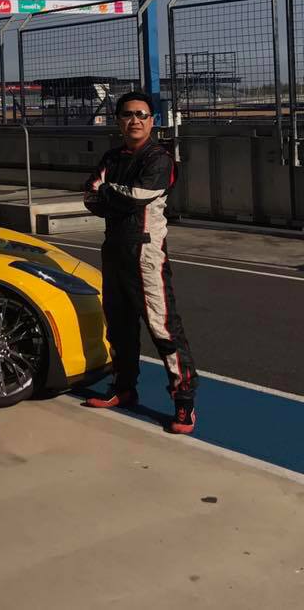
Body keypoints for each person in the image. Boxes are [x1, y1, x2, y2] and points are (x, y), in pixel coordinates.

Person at [83, 91, 198, 434]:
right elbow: (89, 193)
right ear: (118, 120)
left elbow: (140, 196)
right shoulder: (111, 156)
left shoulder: (159, 158)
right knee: (118, 325)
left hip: (146, 252)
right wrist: (111, 194)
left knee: (162, 328)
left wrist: (109, 194)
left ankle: (184, 402)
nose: (135, 120)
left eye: (142, 115)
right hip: (113, 248)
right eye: (128, 114)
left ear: (152, 120)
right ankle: (123, 388)